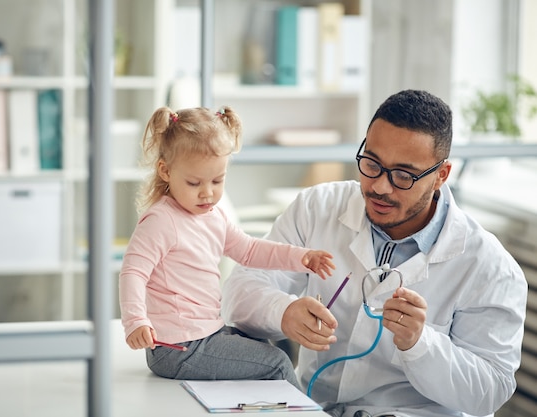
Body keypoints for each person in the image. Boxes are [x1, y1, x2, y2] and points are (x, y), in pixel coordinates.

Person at [221, 90, 527, 417]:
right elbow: (238, 292)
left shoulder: (490, 268)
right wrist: (283, 310)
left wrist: (420, 344)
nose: (380, 187)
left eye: (403, 175)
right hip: (314, 408)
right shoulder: (317, 209)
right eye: (372, 164)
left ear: (441, 175)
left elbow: (490, 391)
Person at [119, 105, 336, 389]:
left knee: (271, 346)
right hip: (178, 349)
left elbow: (249, 249)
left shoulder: (213, 215)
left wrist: (301, 257)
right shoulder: (161, 220)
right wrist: (135, 320)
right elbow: (133, 272)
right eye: (194, 182)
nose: (207, 192)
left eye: (217, 180)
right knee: (278, 364)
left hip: (205, 335)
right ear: (165, 171)